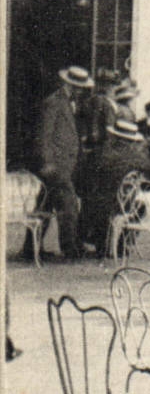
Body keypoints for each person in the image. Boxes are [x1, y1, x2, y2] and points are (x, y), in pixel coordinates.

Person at [28, 65, 93, 261]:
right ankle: (70, 248)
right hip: (56, 166)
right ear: (69, 84)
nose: (81, 91)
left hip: (64, 165)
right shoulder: (54, 103)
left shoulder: (69, 103)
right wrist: (47, 163)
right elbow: (44, 135)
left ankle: (30, 248)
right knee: (68, 204)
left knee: (45, 205)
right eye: (78, 87)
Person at [80, 118, 150, 258]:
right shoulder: (138, 158)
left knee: (91, 202)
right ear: (133, 140)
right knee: (140, 206)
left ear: (114, 136)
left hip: (95, 205)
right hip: (123, 206)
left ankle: (101, 241)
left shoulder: (99, 153)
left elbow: (83, 178)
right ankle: (122, 243)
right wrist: (140, 183)